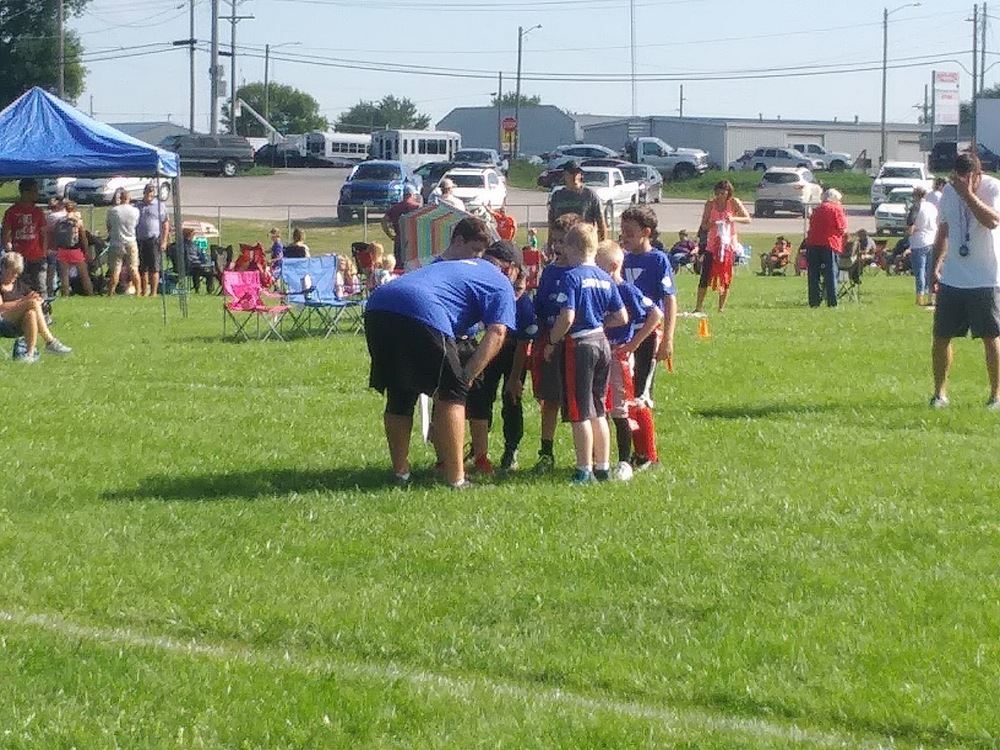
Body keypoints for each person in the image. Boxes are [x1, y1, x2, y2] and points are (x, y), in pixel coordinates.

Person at [364, 217, 518, 488]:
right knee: (452, 394)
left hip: (379, 305)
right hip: (422, 308)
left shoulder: (452, 266)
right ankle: (456, 479)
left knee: (400, 392)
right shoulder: (500, 280)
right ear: (512, 269)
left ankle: (401, 472)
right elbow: (497, 333)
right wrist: (467, 376)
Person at [544, 222, 627, 484]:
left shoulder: (571, 276)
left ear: (571, 247)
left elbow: (566, 317)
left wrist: (551, 341)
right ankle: (602, 467)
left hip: (579, 345)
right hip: (602, 343)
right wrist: (600, 323)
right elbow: (622, 316)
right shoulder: (604, 277)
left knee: (580, 410)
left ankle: (584, 469)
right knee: (599, 408)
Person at [930, 152, 1000, 409]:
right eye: (958, 176)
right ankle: (940, 394)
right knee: (941, 336)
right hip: (953, 278)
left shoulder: (992, 187)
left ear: (977, 174)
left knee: (991, 336)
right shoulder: (949, 191)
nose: (962, 181)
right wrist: (934, 266)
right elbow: (944, 230)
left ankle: (995, 396)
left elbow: (992, 221)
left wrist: (968, 195)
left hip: (985, 278)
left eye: (968, 176)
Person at [596, 240, 663, 481]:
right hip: (597, 352)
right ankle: (598, 460)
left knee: (619, 409)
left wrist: (633, 344)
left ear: (613, 266)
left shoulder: (627, 290)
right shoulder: (598, 288)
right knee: (597, 408)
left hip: (618, 355)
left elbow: (656, 314)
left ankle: (625, 460)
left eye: (598, 265)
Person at [465, 251, 537, 474]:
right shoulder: (494, 292)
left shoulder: (524, 305)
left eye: (520, 289)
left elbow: (524, 342)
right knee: (480, 397)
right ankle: (479, 450)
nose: (515, 294)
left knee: (512, 400)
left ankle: (511, 449)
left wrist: (515, 377)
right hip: (490, 351)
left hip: (514, 354)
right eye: (512, 288)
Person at [620, 205, 676, 470]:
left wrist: (668, 340)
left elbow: (669, 300)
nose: (625, 237)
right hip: (626, 333)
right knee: (626, 395)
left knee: (641, 395)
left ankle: (650, 456)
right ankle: (635, 451)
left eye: (629, 233)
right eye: (622, 232)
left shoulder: (657, 260)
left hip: (649, 334)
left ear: (646, 232)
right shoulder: (623, 259)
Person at [530, 212, 579, 474]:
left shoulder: (581, 272)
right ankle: (546, 452)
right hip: (550, 340)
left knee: (578, 401)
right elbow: (541, 305)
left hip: (574, 343)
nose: (558, 248)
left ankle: (587, 454)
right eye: (555, 241)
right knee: (550, 400)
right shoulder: (550, 271)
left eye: (564, 242)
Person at [0, 252, 72, 362]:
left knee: (31, 313)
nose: (15, 275)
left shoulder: (19, 284)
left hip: (17, 322)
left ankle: (29, 354)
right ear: (4, 268)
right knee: (31, 303)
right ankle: (50, 342)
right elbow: (1, 308)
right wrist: (23, 301)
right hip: (3, 320)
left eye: (17, 272)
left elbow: (32, 297)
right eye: (13, 271)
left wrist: (38, 300)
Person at [694, 180, 751, 313]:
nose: (720, 196)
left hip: (728, 245)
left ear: (728, 193)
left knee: (725, 276)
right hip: (713, 244)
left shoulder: (733, 202)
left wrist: (733, 219)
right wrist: (711, 224)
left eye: (723, 193)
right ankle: (698, 307)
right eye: (718, 193)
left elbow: (747, 218)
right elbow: (703, 225)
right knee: (705, 275)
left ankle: (721, 308)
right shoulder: (710, 204)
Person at [2, 179, 48, 294]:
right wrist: (9, 249)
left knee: (40, 286)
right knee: (20, 287)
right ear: (25, 192)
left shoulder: (38, 211)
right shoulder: (12, 211)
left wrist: (44, 251)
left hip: (37, 255)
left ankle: (43, 309)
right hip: (19, 257)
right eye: (34, 191)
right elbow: (7, 233)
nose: (37, 194)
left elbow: (43, 233)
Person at [804, 188, 848, 308]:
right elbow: (842, 228)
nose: (840, 202)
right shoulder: (836, 209)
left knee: (813, 275)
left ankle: (814, 302)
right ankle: (832, 302)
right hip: (829, 244)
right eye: (839, 200)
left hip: (813, 244)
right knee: (831, 274)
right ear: (834, 199)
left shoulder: (817, 210)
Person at [547, 161, 607, 241]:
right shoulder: (557, 196)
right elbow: (551, 224)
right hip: (562, 243)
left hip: (583, 242)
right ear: (564, 175)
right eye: (571, 173)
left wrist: (602, 244)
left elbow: (601, 223)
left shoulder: (589, 195)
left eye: (577, 173)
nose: (575, 176)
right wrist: (549, 244)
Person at [136, 184, 170, 297]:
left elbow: (165, 224)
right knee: (142, 268)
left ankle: (154, 292)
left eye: (151, 193)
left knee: (154, 268)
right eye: (147, 193)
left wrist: (164, 241)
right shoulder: (138, 206)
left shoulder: (160, 206)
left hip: (154, 240)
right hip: (140, 240)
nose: (149, 196)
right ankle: (144, 292)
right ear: (144, 193)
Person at [54, 200, 93, 296]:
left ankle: (65, 295)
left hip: (62, 250)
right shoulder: (77, 221)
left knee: (64, 276)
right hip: (75, 250)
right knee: (84, 275)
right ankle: (90, 293)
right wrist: (86, 251)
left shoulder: (60, 220)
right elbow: (83, 237)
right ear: (75, 209)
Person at [106, 188, 141, 296]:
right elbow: (136, 225)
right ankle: (138, 292)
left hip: (116, 242)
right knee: (133, 268)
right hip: (131, 241)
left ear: (120, 198)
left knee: (115, 269)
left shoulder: (113, 211)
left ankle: (111, 293)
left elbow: (109, 227)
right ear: (129, 198)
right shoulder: (135, 211)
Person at [908, 186, 938, 307]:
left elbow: (910, 227)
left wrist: (912, 230)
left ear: (915, 196)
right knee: (931, 271)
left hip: (919, 241)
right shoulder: (932, 206)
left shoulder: (916, 207)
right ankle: (932, 297)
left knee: (919, 271)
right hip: (933, 239)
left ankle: (920, 297)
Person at [381, 184, 422, 264]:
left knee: (399, 265)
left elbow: (383, 221)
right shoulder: (417, 207)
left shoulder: (395, 208)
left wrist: (390, 235)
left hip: (399, 239)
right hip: (413, 240)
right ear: (412, 194)